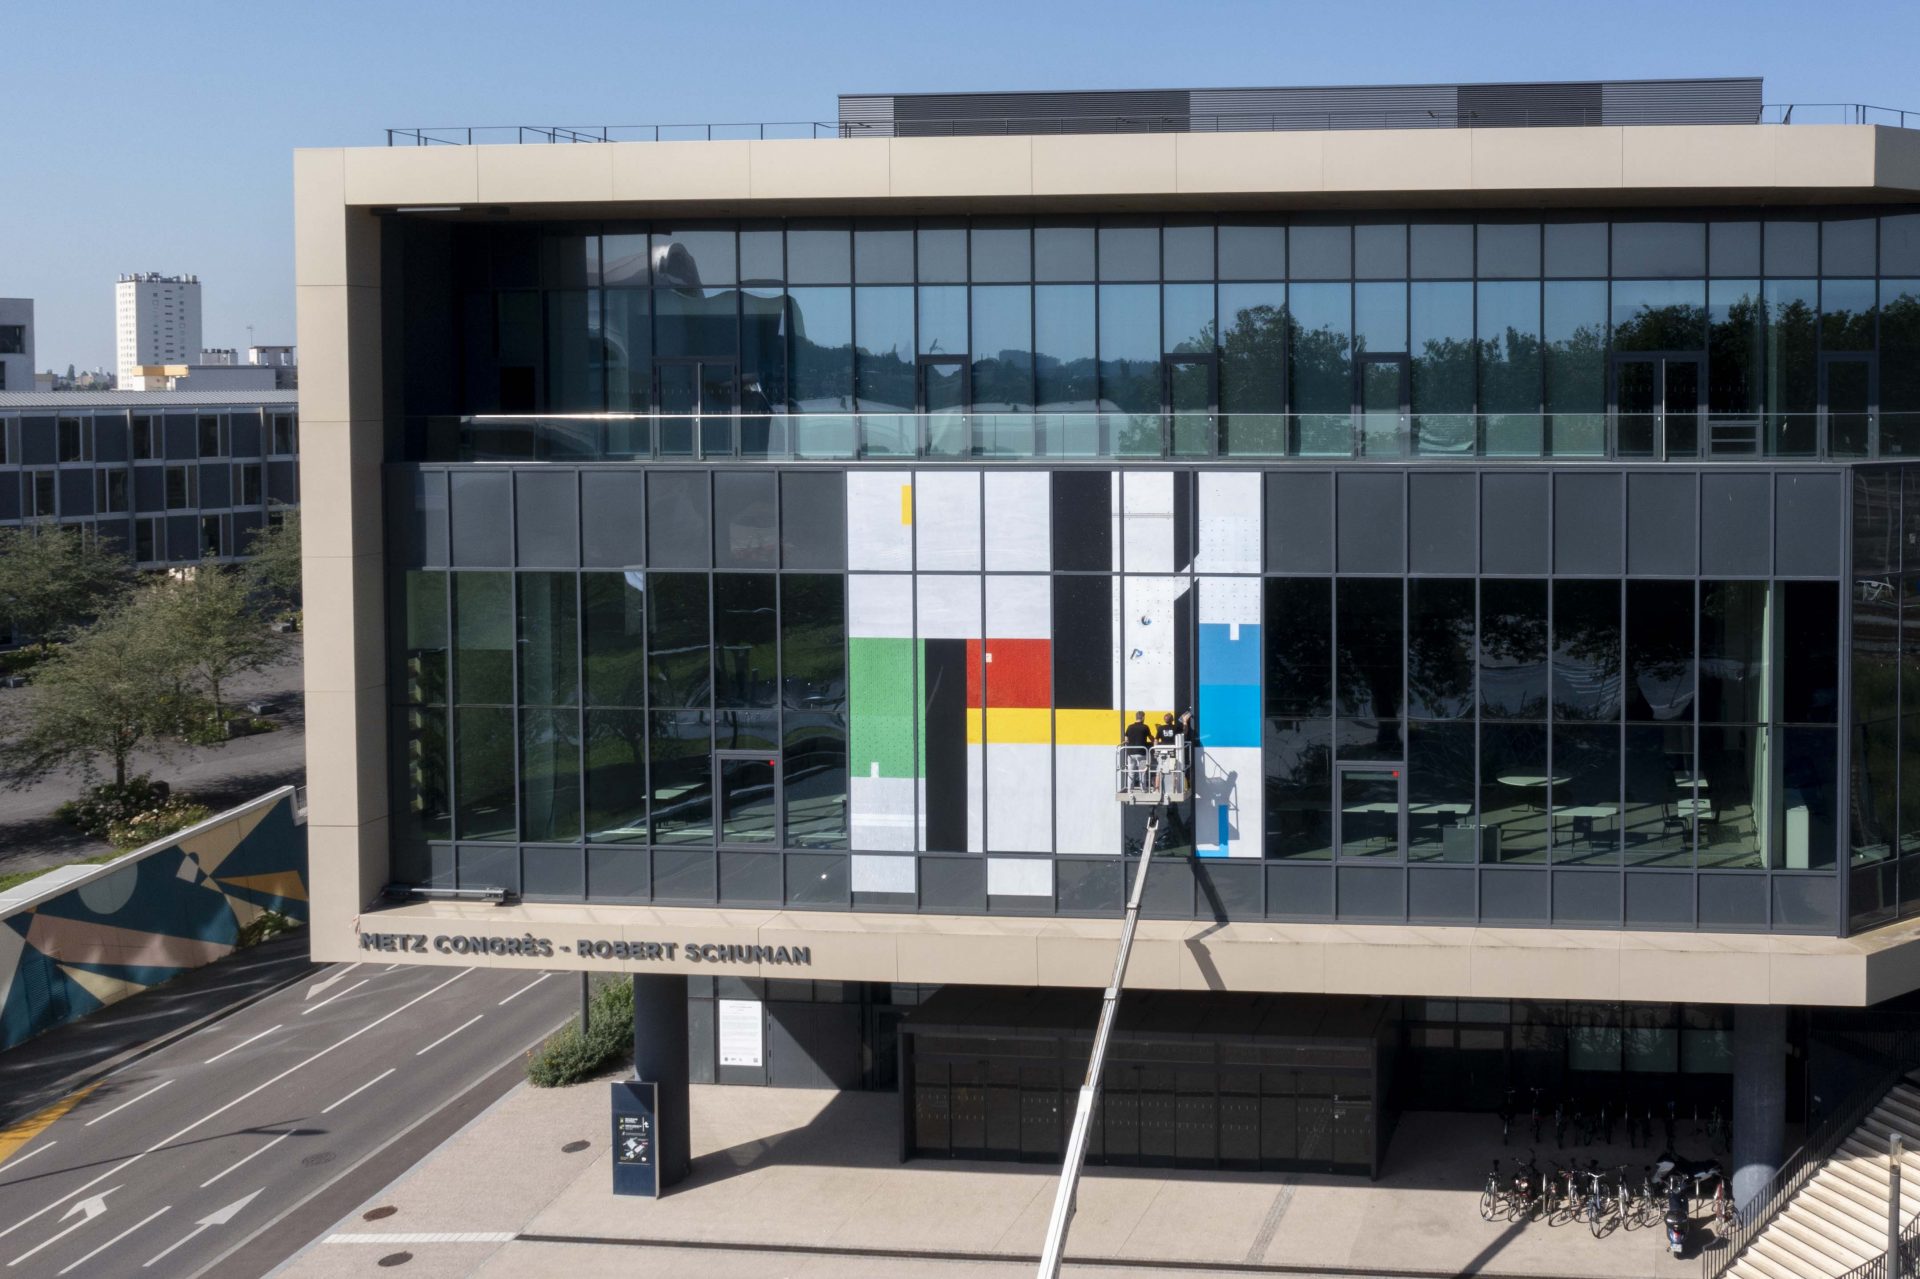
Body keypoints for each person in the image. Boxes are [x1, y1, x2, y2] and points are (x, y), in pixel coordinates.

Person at [1121, 712, 1152, 791]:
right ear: (1143, 718)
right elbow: (1151, 738)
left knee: (1131, 772)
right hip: (1141, 753)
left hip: (1130, 753)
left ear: (1136, 717)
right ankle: (1143, 789)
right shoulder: (1145, 727)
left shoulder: (1130, 727)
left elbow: (1126, 740)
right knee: (1142, 772)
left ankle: (1129, 790)